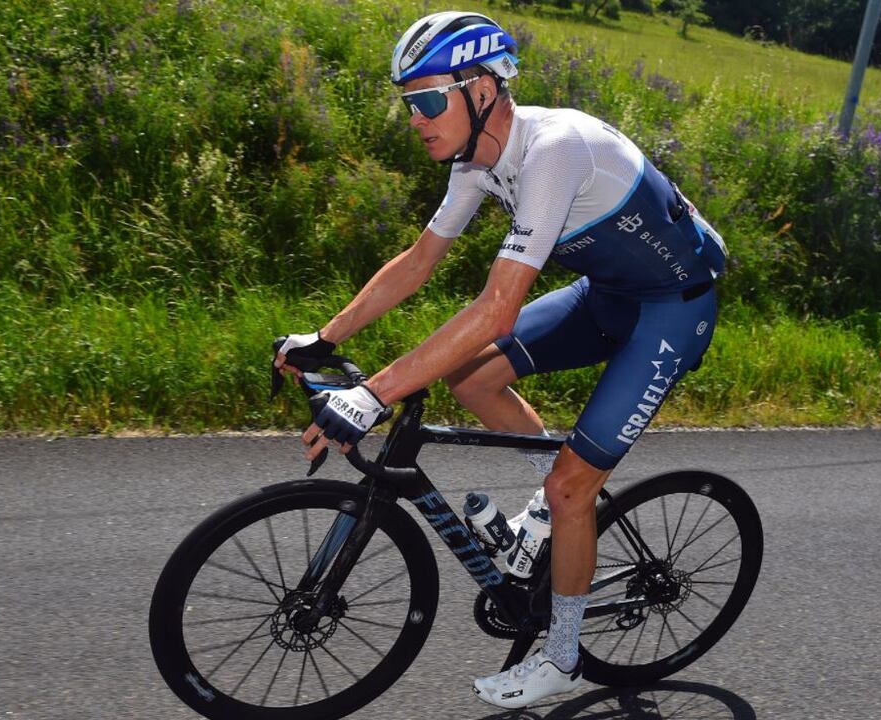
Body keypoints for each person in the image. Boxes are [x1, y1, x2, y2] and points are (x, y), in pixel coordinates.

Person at [273, 10, 727, 710]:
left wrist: (372, 394)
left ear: (481, 89)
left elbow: (496, 310)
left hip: (672, 309)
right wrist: (325, 339)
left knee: (573, 487)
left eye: (428, 101)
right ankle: (545, 523)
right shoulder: (478, 161)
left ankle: (563, 656)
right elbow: (419, 262)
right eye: (408, 104)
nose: (416, 119)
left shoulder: (554, 149)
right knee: (475, 378)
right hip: (608, 293)